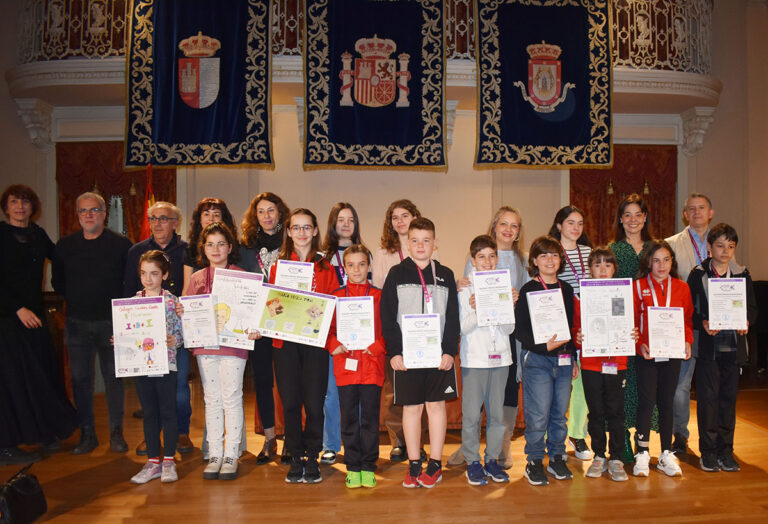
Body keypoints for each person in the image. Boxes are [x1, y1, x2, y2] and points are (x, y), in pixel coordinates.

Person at [0, 185, 77, 465]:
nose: (20, 207)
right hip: (6, 319)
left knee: (40, 376)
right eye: (14, 201)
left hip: (34, 316)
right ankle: (5, 445)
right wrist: (16, 309)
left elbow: (62, 260)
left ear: (33, 207)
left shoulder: (37, 234)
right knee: (10, 383)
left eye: (25, 202)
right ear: (6, 207)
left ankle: (45, 432)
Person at [381, 217, 459, 489]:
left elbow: (453, 317)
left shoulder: (446, 274)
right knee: (411, 408)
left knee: (436, 407)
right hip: (407, 357)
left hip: (438, 357)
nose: (421, 245)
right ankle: (414, 462)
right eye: (415, 240)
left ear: (435, 243)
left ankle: (435, 463)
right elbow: (387, 316)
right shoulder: (396, 274)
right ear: (408, 243)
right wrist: (395, 352)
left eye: (426, 240)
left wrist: (449, 351)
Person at [53, 191, 132, 454]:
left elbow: (129, 281)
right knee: (80, 381)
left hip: (111, 324)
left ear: (104, 214)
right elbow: (58, 283)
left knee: (114, 380)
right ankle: (87, 434)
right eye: (83, 211)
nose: (89, 215)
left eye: (94, 210)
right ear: (77, 215)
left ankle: (116, 433)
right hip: (76, 323)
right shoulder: (65, 246)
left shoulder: (121, 244)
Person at [267, 208, 338, 484]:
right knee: (291, 403)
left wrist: (314, 314)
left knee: (315, 403)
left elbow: (332, 305)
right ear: (288, 232)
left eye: (307, 227)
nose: (302, 233)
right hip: (285, 343)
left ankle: (313, 456)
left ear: (315, 230)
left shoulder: (326, 266)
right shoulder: (279, 266)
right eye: (296, 227)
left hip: (315, 344)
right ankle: (296, 456)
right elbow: (272, 303)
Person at [687, 224, 757, 472]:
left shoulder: (742, 274)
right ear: (709, 247)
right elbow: (689, 310)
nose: (725, 251)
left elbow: (752, 309)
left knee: (728, 400)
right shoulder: (698, 274)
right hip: (708, 349)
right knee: (708, 400)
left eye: (731, 246)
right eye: (720, 245)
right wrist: (703, 322)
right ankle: (708, 452)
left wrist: (746, 321)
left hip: (733, 348)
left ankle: (726, 451)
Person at [123, 201, 191, 455]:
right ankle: (152, 438)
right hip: (144, 335)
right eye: (153, 218)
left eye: (164, 218)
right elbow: (128, 290)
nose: (158, 223)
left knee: (179, 387)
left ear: (175, 223)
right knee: (149, 393)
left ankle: (181, 434)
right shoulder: (136, 251)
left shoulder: (186, 250)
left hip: (175, 331)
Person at [665, 193, 727, 455]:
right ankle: (680, 435)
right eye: (691, 209)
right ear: (685, 215)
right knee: (680, 385)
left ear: (710, 212)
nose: (697, 212)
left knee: (714, 387)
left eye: (702, 208)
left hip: (717, 326)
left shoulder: (724, 243)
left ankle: (714, 439)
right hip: (685, 325)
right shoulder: (671, 244)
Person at [372, 199, 433, 463]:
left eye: (405, 215)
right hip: (395, 330)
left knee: (424, 391)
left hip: (423, 332)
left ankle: (418, 442)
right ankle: (398, 441)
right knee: (394, 389)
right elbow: (378, 292)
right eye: (394, 217)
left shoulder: (427, 249)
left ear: (415, 217)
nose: (400, 221)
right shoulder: (382, 254)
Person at [185, 222, 246, 480]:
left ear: (230, 247)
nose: (216, 249)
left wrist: (253, 328)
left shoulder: (242, 277)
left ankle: (231, 454)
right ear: (203, 248)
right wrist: (184, 312)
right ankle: (215, 454)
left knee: (231, 398)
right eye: (210, 244)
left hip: (233, 346)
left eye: (221, 243)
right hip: (206, 346)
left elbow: (250, 312)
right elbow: (189, 311)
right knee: (212, 399)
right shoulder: (197, 278)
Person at [515, 236, 577, 486]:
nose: (550, 260)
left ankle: (557, 457)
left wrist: (573, 357)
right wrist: (543, 346)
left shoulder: (567, 289)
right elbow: (520, 331)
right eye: (543, 255)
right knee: (538, 414)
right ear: (534, 261)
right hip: (538, 360)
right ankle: (534, 460)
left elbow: (571, 326)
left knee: (559, 414)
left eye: (554, 254)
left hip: (563, 360)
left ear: (560, 259)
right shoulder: (528, 290)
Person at [325, 244, 386, 489]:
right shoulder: (336, 297)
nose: (357, 269)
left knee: (370, 420)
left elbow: (389, 330)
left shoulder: (380, 296)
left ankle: (369, 466)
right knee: (349, 419)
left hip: (372, 367)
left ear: (369, 266)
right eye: (351, 265)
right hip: (346, 368)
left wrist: (378, 346)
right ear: (344, 268)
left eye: (361, 264)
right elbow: (327, 330)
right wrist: (334, 345)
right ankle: (352, 466)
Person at [572, 247, 636, 482]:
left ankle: (616, 457)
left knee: (616, 412)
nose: (602, 269)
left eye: (607, 265)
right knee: (596, 412)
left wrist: (634, 333)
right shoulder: (580, 297)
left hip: (616, 362)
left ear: (614, 269)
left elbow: (628, 323)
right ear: (589, 269)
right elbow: (575, 327)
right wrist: (577, 337)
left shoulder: (622, 295)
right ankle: (599, 455)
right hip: (591, 364)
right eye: (597, 265)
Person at [632, 239, 693, 478]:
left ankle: (666, 452)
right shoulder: (638, 287)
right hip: (647, 354)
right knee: (647, 402)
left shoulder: (682, 287)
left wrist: (687, 341)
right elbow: (631, 323)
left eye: (666, 260)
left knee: (667, 401)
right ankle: (642, 451)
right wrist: (639, 345)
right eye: (656, 260)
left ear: (672, 262)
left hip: (672, 353)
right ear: (648, 262)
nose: (661, 265)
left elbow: (687, 320)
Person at [458, 235, 513, 486]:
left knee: (497, 415)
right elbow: (463, 327)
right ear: (473, 260)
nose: (487, 261)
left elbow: (510, 328)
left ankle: (492, 460)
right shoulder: (464, 289)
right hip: (475, 360)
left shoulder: (504, 285)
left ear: (497, 259)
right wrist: (479, 307)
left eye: (492, 256)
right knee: (471, 415)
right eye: (481, 257)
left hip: (501, 358)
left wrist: (505, 304)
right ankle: (472, 461)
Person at [239, 192, 289, 464]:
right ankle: (270, 439)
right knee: (262, 381)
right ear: (254, 215)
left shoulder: (290, 241)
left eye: (271, 210)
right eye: (261, 211)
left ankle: (291, 438)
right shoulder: (245, 246)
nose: (267, 216)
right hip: (258, 324)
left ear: (280, 213)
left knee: (288, 381)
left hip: (286, 323)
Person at [128, 251, 184, 484]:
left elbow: (182, 333)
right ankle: (153, 462)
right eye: (144, 273)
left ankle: (168, 460)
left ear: (165, 275)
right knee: (149, 412)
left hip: (166, 364)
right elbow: (127, 332)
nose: (148, 279)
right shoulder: (132, 303)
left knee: (168, 411)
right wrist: (119, 340)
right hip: (141, 365)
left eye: (154, 273)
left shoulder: (173, 302)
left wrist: (175, 339)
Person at [608, 193, 655, 463]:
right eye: (627, 215)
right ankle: (622, 437)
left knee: (647, 385)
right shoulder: (612, 250)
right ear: (620, 219)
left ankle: (643, 439)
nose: (633, 220)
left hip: (650, 325)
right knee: (622, 385)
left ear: (645, 218)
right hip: (621, 327)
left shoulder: (655, 249)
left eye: (638, 214)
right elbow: (606, 287)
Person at [318, 203, 365, 464]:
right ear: (332, 224)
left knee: (358, 393)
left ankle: (356, 444)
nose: (346, 224)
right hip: (334, 335)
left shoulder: (364, 254)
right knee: (333, 393)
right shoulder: (322, 259)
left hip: (361, 335)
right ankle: (331, 444)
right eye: (341, 219)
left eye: (351, 219)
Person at [548, 205, 593, 462]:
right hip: (560, 326)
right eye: (570, 223)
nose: (576, 228)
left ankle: (577, 434)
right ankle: (552, 435)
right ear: (559, 225)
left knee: (582, 384)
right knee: (559, 383)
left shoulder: (589, 252)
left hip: (586, 327)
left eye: (580, 223)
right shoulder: (551, 252)